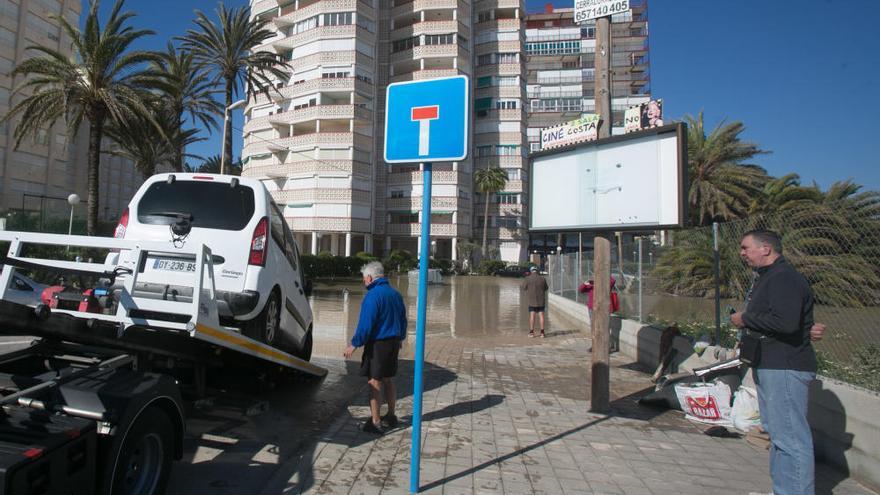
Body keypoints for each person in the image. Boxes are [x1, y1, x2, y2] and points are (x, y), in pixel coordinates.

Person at [730, 230, 816, 495]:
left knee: (791, 439)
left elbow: (786, 322)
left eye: (746, 248)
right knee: (778, 437)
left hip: (785, 367)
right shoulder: (769, 278)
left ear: (765, 248)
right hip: (769, 364)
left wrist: (745, 319)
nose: (742, 253)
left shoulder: (784, 278)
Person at [344, 261, 407, 435]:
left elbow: (366, 325)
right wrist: (400, 337)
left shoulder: (372, 296)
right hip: (394, 342)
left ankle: (375, 422)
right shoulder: (395, 294)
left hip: (379, 344)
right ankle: (391, 415)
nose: (364, 282)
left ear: (370, 278)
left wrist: (354, 344)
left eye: (364, 279)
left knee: (374, 381)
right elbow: (403, 320)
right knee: (388, 379)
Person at [521, 266, 548, 338]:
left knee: (532, 316)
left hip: (532, 301)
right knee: (541, 316)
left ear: (531, 271)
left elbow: (524, 288)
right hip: (541, 301)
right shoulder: (543, 278)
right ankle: (542, 333)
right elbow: (546, 288)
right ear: (537, 271)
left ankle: (531, 333)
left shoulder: (527, 278)